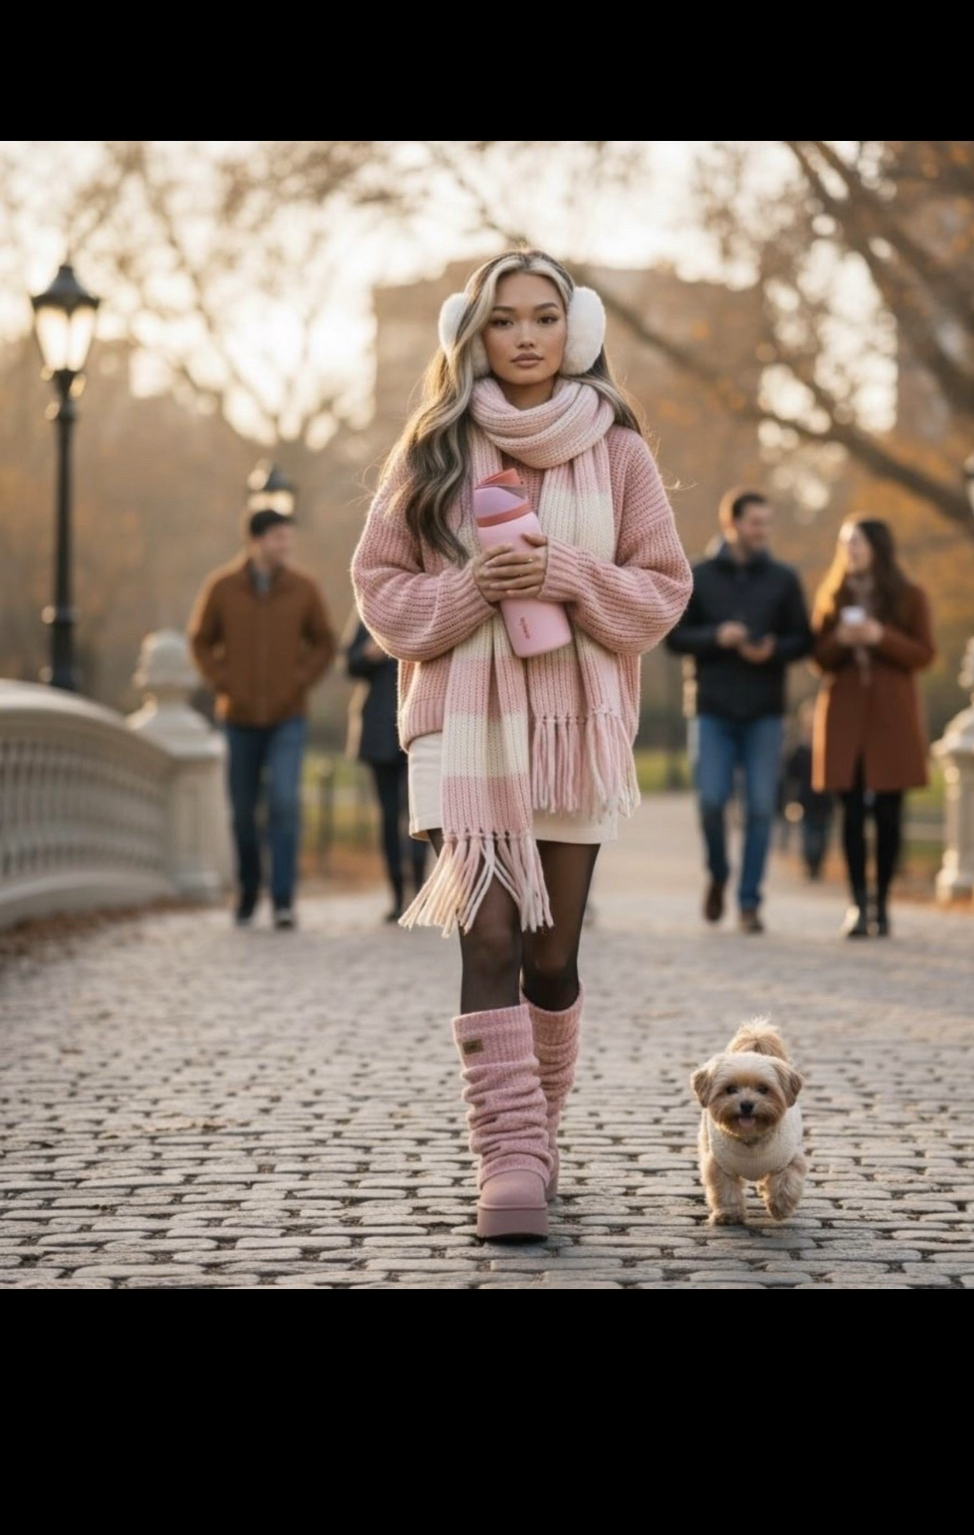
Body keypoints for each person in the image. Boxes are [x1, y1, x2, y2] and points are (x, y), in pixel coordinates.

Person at [351, 249, 692, 1242]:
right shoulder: (433, 450)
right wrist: (470, 593)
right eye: (508, 320)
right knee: (490, 938)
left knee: (550, 956)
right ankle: (507, 1161)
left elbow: (663, 590)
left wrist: (569, 575)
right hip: (461, 730)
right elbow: (380, 593)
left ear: (575, 330)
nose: (529, 335)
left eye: (547, 317)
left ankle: (541, 1131)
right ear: (475, 331)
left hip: (572, 737)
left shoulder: (619, 451)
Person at [665, 487, 812, 932]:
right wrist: (716, 637)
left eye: (767, 523)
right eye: (755, 523)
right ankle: (718, 874)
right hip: (711, 710)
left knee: (761, 808)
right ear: (732, 524)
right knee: (711, 802)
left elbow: (804, 640)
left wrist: (773, 650)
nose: (762, 531)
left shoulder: (784, 579)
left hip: (765, 712)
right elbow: (673, 637)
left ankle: (749, 903)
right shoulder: (699, 575)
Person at [188, 507, 336, 928]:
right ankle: (250, 888)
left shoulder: (304, 589)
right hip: (238, 717)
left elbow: (325, 642)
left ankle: (284, 899)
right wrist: (224, 682)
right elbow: (200, 640)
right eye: (277, 538)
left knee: (285, 804)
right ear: (255, 541)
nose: (285, 545)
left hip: (289, 715)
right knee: (242, 810)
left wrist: (299, 681)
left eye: (288, 538)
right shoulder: (222, 587)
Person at [810, 516, 936, 939]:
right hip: (844, 716)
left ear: (878, 547)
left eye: (858, 543)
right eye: (846, 543)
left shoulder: (909, 596)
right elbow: (818, 659)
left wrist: (880, 635)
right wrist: (841, 642)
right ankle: (856, 904)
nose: (851, 550)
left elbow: (924, 654)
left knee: (888, 813)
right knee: (848, 814)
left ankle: (882, 902)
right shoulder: (831, 595)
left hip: (891, 717)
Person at [342, 612, 428, 924]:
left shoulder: (427, 603)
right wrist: (368, 654)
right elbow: (349, 664)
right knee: (389, 817)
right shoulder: (370, 607)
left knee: (421, 814)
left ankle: (419, 893)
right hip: (379, 729)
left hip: (420, 722)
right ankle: (396, 896)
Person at [781, 698, 834, 880]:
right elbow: (791, 773)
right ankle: (810, 864)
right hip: (806, 800)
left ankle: (818, 864)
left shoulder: (828, 749)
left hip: (825, 802)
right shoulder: (799, 750)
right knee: (808, 835)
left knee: (823, 837)